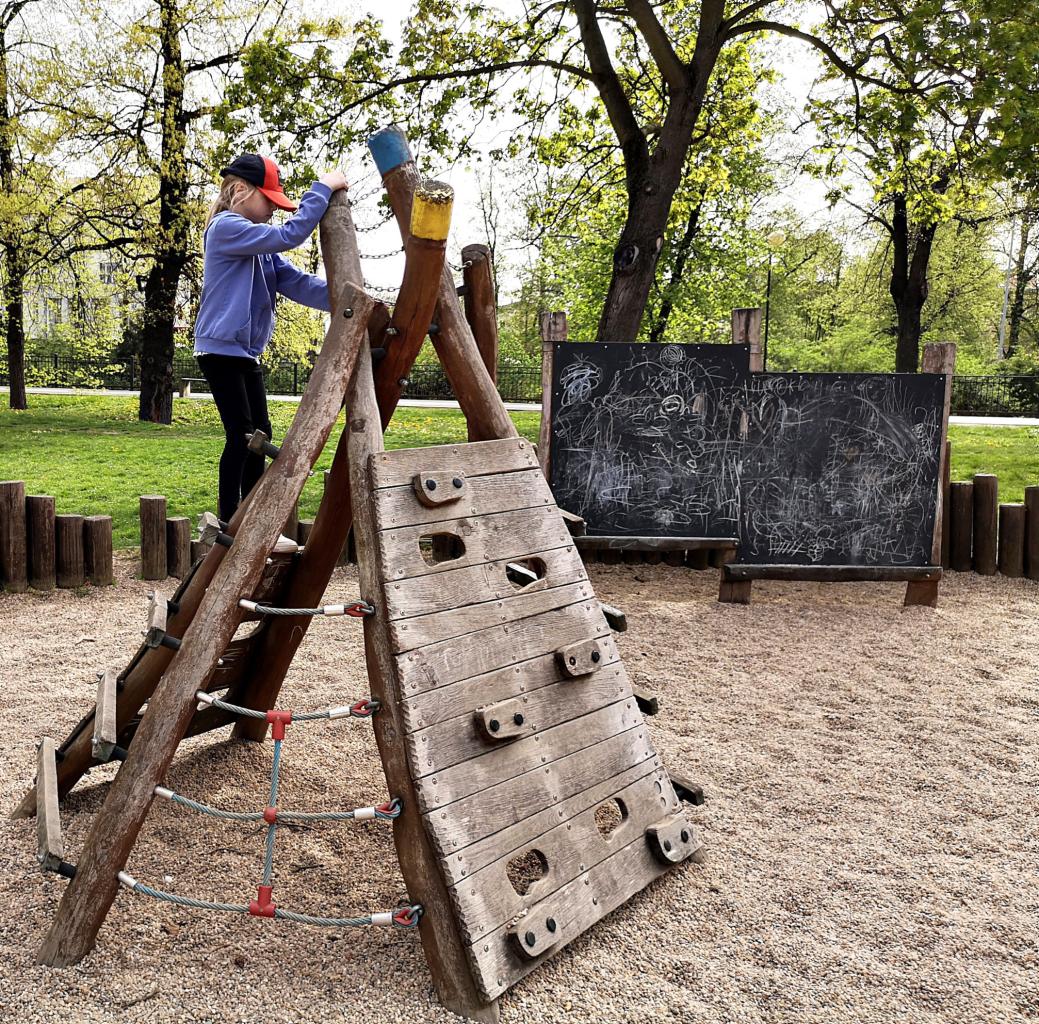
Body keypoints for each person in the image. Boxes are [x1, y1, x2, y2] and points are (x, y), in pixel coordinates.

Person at [193, 153, 349, 521]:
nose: (274, 210)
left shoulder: (260, 251)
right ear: (240, 191)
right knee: (241, 434)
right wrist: (322, 189)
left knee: (261, 433)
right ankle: (229, 518)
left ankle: (250, 516)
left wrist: (347, 297)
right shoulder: (226, 227)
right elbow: (290, 235)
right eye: (269, 201)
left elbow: (298, 283)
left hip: (244, 353)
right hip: (219, 350)